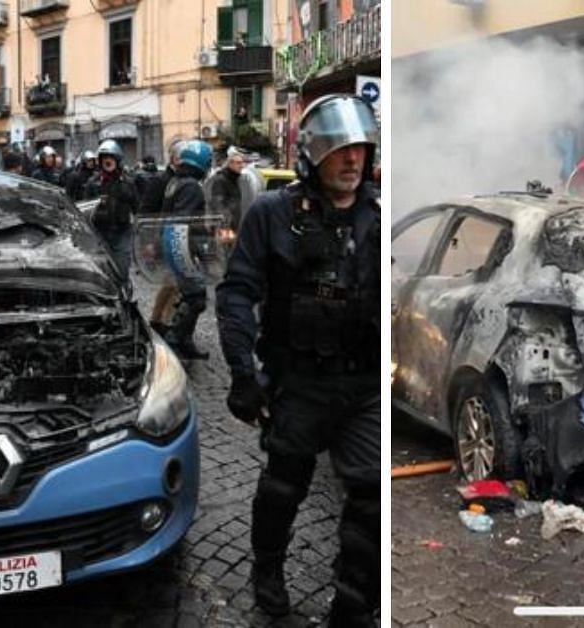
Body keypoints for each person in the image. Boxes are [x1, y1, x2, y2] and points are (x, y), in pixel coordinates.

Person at [216, 94, 380, 625]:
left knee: (370, 503)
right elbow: (237, 291)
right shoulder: (272, 214)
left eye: (360, 148)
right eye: (339, 150)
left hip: (364, 388)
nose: (351, 160)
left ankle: (353, 603)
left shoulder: (379, 216)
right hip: (299, 383)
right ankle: (267, 568)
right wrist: (243, 371)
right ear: (314, 153)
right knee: (283, 488)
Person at [149, 140, 214, 360]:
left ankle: (184, 341)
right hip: (179, 244)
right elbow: (183, 221)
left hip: (173, 243)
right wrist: (195, 251)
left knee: (191, 295)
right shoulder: (192, 187)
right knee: (196, 298)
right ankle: (175, 342)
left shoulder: (175, 182)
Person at [84, 140, 137, 278]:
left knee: (122, 268)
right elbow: (84, 209)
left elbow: (137, 208)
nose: (107, 161)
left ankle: (124, 294)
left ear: (117, 160)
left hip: (122, 232)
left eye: (111, 158)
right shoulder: (93, 183)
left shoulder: (128, 182)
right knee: (101, 272)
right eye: (104, 158)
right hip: (100, 234)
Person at [207, 149, 245, 229]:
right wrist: (227, 223)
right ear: (230, 163)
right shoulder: (221, 180)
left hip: (234, 225)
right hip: (225, 227)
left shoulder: (235, 179)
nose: (242, 166)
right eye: (238, 163)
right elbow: (218, 204)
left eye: (242, 163)